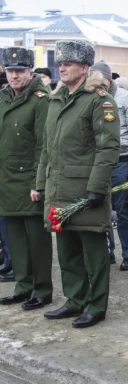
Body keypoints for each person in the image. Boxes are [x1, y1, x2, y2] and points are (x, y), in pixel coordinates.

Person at [37, 40, 120, 328]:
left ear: (84, 68)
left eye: (69, 63)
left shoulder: (99, 100)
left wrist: (97, 186)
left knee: (94, 251)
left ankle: (96, 305)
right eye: (61, 63)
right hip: (59, 188)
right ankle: (74, 300)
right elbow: (47, 148)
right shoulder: (56, 99)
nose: (62, 67)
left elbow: (108, 147)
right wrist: (42, 183)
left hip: (85, 189)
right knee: (67, 250)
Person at [0, 47, 53, 310]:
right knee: (16, 239)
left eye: (20, 70)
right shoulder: (2, 98)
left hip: (29, 180)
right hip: (6, 180)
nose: (14, 76)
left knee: (37, 240)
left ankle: (42, 289)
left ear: (31, 72)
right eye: (10, 71)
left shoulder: (40, 99)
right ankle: (23, 286)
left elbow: (43, 145)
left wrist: (38, 182)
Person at [90, 61, 128, 271]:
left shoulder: (125, 97)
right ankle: (107, 250)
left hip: (122, 161)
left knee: (123, 210)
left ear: (106, 77)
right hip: (98, 162)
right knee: (100, 209)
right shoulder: (92, 97)